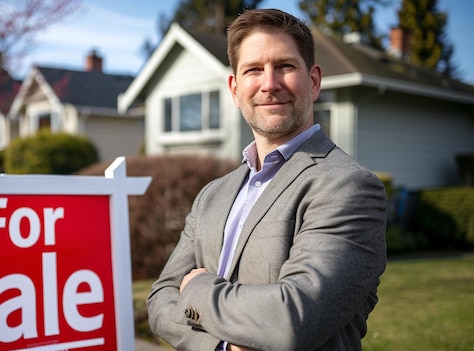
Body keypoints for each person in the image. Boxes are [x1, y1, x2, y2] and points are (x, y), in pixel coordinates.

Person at [146, 8, 387, 351]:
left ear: (314, 81)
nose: (269, 84)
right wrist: (222, 348)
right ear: (234, 88)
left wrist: (196, 288)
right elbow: (159, 301)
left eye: (285, 66)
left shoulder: (348, 187)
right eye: (253, 70)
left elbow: (293, 319)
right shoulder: (212, 195)